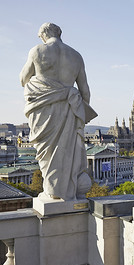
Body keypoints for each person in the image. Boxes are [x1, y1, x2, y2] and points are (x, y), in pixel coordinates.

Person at [20, 22, 97, 201]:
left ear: (44, 35)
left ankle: (53, 191)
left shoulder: (37, 51)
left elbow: (23, 79)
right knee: (66, 151)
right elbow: (85, 91)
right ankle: (65, 191)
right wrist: (81, 115)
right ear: (59, 33)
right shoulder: (76, 56)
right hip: (70, 108)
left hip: (44, 109)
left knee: (47, 153)